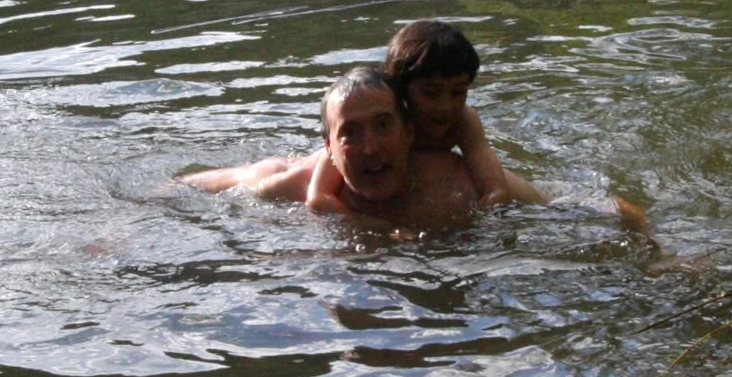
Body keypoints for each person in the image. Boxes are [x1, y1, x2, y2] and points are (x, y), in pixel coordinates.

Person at [178, 66, 478, 231]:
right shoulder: (290, 184)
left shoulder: (454, 183)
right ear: (329, 149)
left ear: (409, 132)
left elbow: (522, 196)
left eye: (384, 126)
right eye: (350, 133)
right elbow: (183, 187)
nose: (370, 148)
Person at [307, 20, 547, 211]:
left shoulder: (463, 120)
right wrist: (365, 225)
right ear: (398, 89)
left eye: (458, 92)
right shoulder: (376, 126)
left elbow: (493, 186)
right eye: (431, 93)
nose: (445, 106)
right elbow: (318, 196)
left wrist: (486, 221)